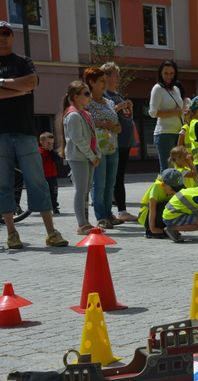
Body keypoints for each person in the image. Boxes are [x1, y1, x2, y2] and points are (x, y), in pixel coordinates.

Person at [0, 20, 68, 248]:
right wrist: (18, 89)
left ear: (13, 36)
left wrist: (3, 84)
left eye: (7, 33)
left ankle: (51, 232)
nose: (3, 37)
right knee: (3, 184)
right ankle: (12, 233)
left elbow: (31, 83)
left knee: (37, 181)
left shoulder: (24, 62)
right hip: (0, 134)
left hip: (25, 132)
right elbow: (25, 87)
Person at [83, 67, 123, 229]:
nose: (104, 84)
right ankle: (101, 217)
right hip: (97, 148)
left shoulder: (109, 102)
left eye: (105, 81)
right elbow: (85, 122)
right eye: (101, 81)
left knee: (110, 182)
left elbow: (118, 126)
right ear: (91, 83)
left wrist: (115, 127)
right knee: (99, 182)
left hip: (113, 146)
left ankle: (109, 214)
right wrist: (102, 124)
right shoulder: (86, 102)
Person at [59, 80, 101, 235]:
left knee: (86, 190)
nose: (89, 96)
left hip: (88, 157)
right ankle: (82, 224)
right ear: (75, 97)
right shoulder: (73, 115)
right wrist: (92, 156)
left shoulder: (86, 114)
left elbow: (92, 137)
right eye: (86, 94)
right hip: (78, 158)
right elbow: (78, 139)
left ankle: (86, 221)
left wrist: (97, 154)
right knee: (81, 190)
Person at [101, 62, 138, 222]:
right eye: (116, 74)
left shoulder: (116, 94)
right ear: (107, 76)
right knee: (113, 177)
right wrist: (118, 106)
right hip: (113, 142)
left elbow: (126, 116)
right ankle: (114, 211)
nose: (118, 78)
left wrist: (128, 106)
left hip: (124, 141)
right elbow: (105, 114)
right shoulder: (104, 95)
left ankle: (121, 210)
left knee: (119, 176)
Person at [149, 60, 184, 172]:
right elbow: (153, 112)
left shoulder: (176, 89)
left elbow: (180, 110)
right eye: (166, 73)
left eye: (171, 73)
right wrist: (174, 112)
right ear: (160, 73)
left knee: (179, 168)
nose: (169, 76)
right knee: (167, 169)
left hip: (179, 133)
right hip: (164, 134)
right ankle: (163, 190)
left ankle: (175, 190)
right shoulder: (157, 88)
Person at [138, 168, 183, 239]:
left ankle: (166, 229)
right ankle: (150, 231)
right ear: (163, 185)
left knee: (178, 205)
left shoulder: (170, 188)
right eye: (172, 189)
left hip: (159, 212)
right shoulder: (156, 187)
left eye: (177, 189)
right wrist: (153, 229)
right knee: (168, 206)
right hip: (147, 215)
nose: (174, 192)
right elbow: (152, 210)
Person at [38, 132, 61, 214]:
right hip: (43, 176)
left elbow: (58, 160)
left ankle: (54, 206)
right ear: (41, 142)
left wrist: (52, 152)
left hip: (53, 176)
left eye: (52, 143)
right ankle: (44, 208)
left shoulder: (52, 152)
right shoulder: (39, 152)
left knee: (54, 192)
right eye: (48, 143)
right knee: (44, 193)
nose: (50, 145)